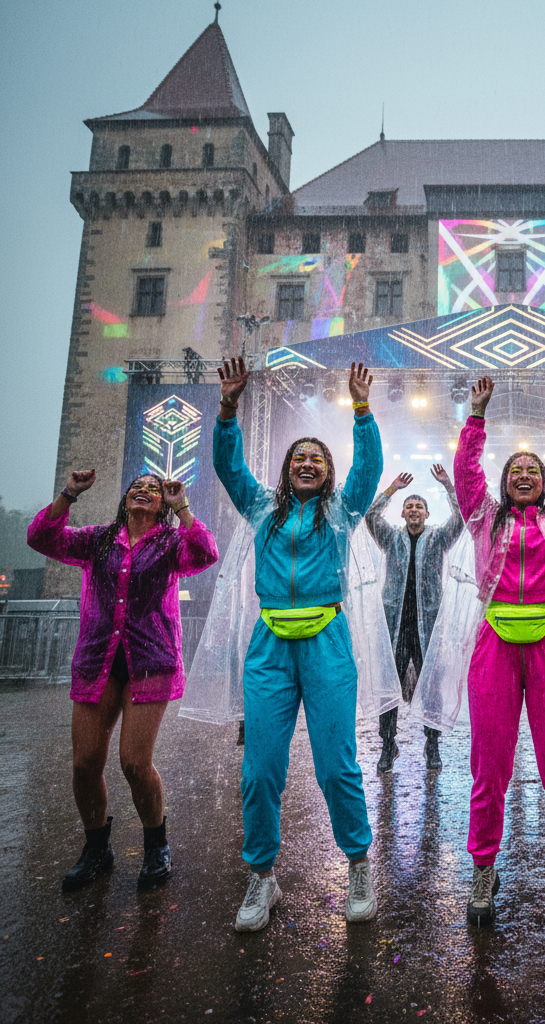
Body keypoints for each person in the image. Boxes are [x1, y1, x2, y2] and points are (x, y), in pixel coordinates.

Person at [214, 357, 385, 932]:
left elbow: (370, 469)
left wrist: (362, 410)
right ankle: (262, 877)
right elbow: (227, 465)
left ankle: (359, 865)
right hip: (270, 644)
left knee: (336, 766)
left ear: (327, 472)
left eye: (317, 458)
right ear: (286, 471)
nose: (307, 462)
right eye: (298, 458)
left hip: (327, 642)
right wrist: (228, 410)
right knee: (260, 768)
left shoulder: (341, 512)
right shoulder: (261, 506)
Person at [453, 371, 545, 928]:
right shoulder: (483, 518)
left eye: (531, 470)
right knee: (489, 767)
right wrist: (475, 417)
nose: (522, 474)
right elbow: (467, 475)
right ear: (502, 482)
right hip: (493, 645)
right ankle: (484, 870)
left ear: (543, 484)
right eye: (514, 470)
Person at [27, 469, 217, 892]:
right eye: (138, 487)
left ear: (162, 502)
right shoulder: (97, 539)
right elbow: (40, 537)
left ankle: (156, 845)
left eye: (154, 489)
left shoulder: (169, 543)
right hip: (99, 660)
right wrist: (69, 493)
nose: (146, 492)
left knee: (133, 762)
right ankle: (97, 847)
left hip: (149, 660)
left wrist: (181, 505)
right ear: (126, 498)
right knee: (84, 764)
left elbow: (205, 552)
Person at [366, 466, 464, 773]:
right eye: (409, 506)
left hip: (428, 628)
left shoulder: (438, 539)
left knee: (431, 687)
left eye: (418, 506)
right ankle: (387, 744)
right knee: (389, 688)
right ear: (402, 514)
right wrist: (392, 490)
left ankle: (431, 744)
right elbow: (370, 517)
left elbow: (461, 519)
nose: (413, 510)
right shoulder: (390, 539)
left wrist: (449, 485)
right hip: (395, 626)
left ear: (426, 513)